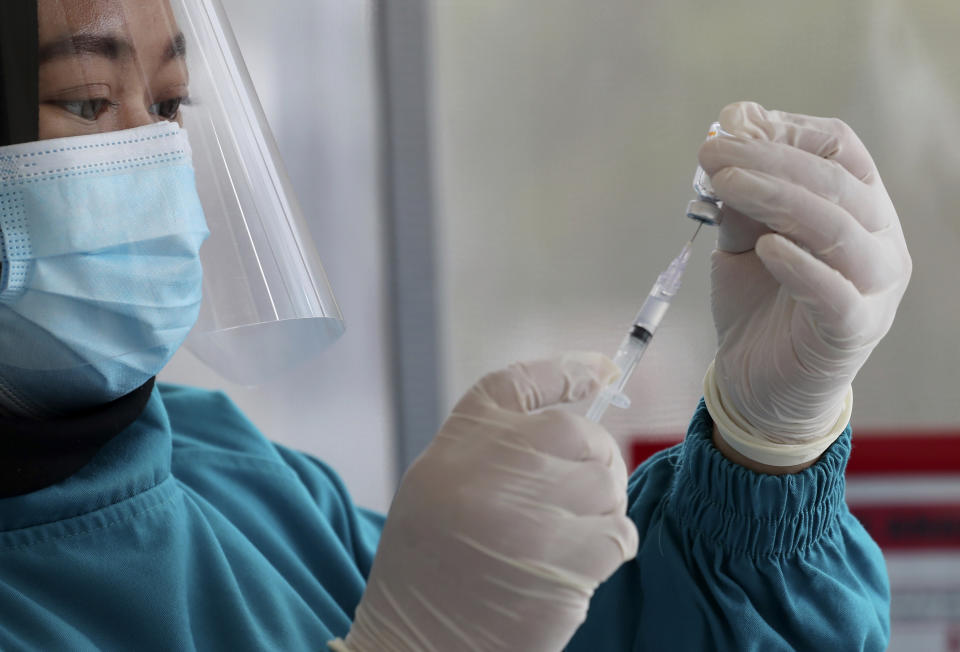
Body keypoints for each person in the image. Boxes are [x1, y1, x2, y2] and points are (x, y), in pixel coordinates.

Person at [0, 1, 911, 650]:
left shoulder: (236, 481)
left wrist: (764, 449)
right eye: (86, 101)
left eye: (168, 105)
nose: (159, 160)